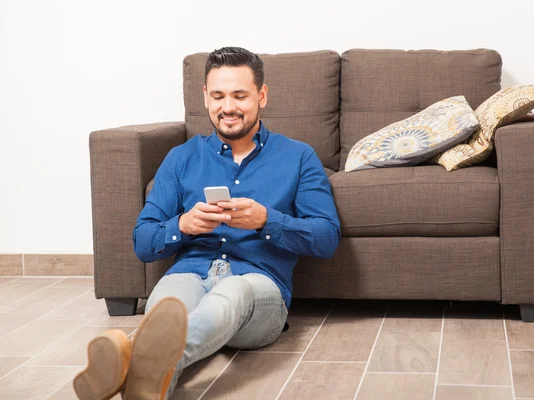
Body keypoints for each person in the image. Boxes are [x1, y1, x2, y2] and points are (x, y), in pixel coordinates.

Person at [74, 47, 341, 400]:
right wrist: (182, 224)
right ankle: (146, 376)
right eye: (218, 96)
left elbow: (326, 237)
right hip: (190, 273)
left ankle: (128, 356)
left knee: (234, 292)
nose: (227, 107)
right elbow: (142, 241)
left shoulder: (298, 156)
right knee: (166, 306)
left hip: (257, 288)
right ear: (205, 97)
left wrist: (267, 221)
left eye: (239, 96)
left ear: (261, 95)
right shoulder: (182, 158)